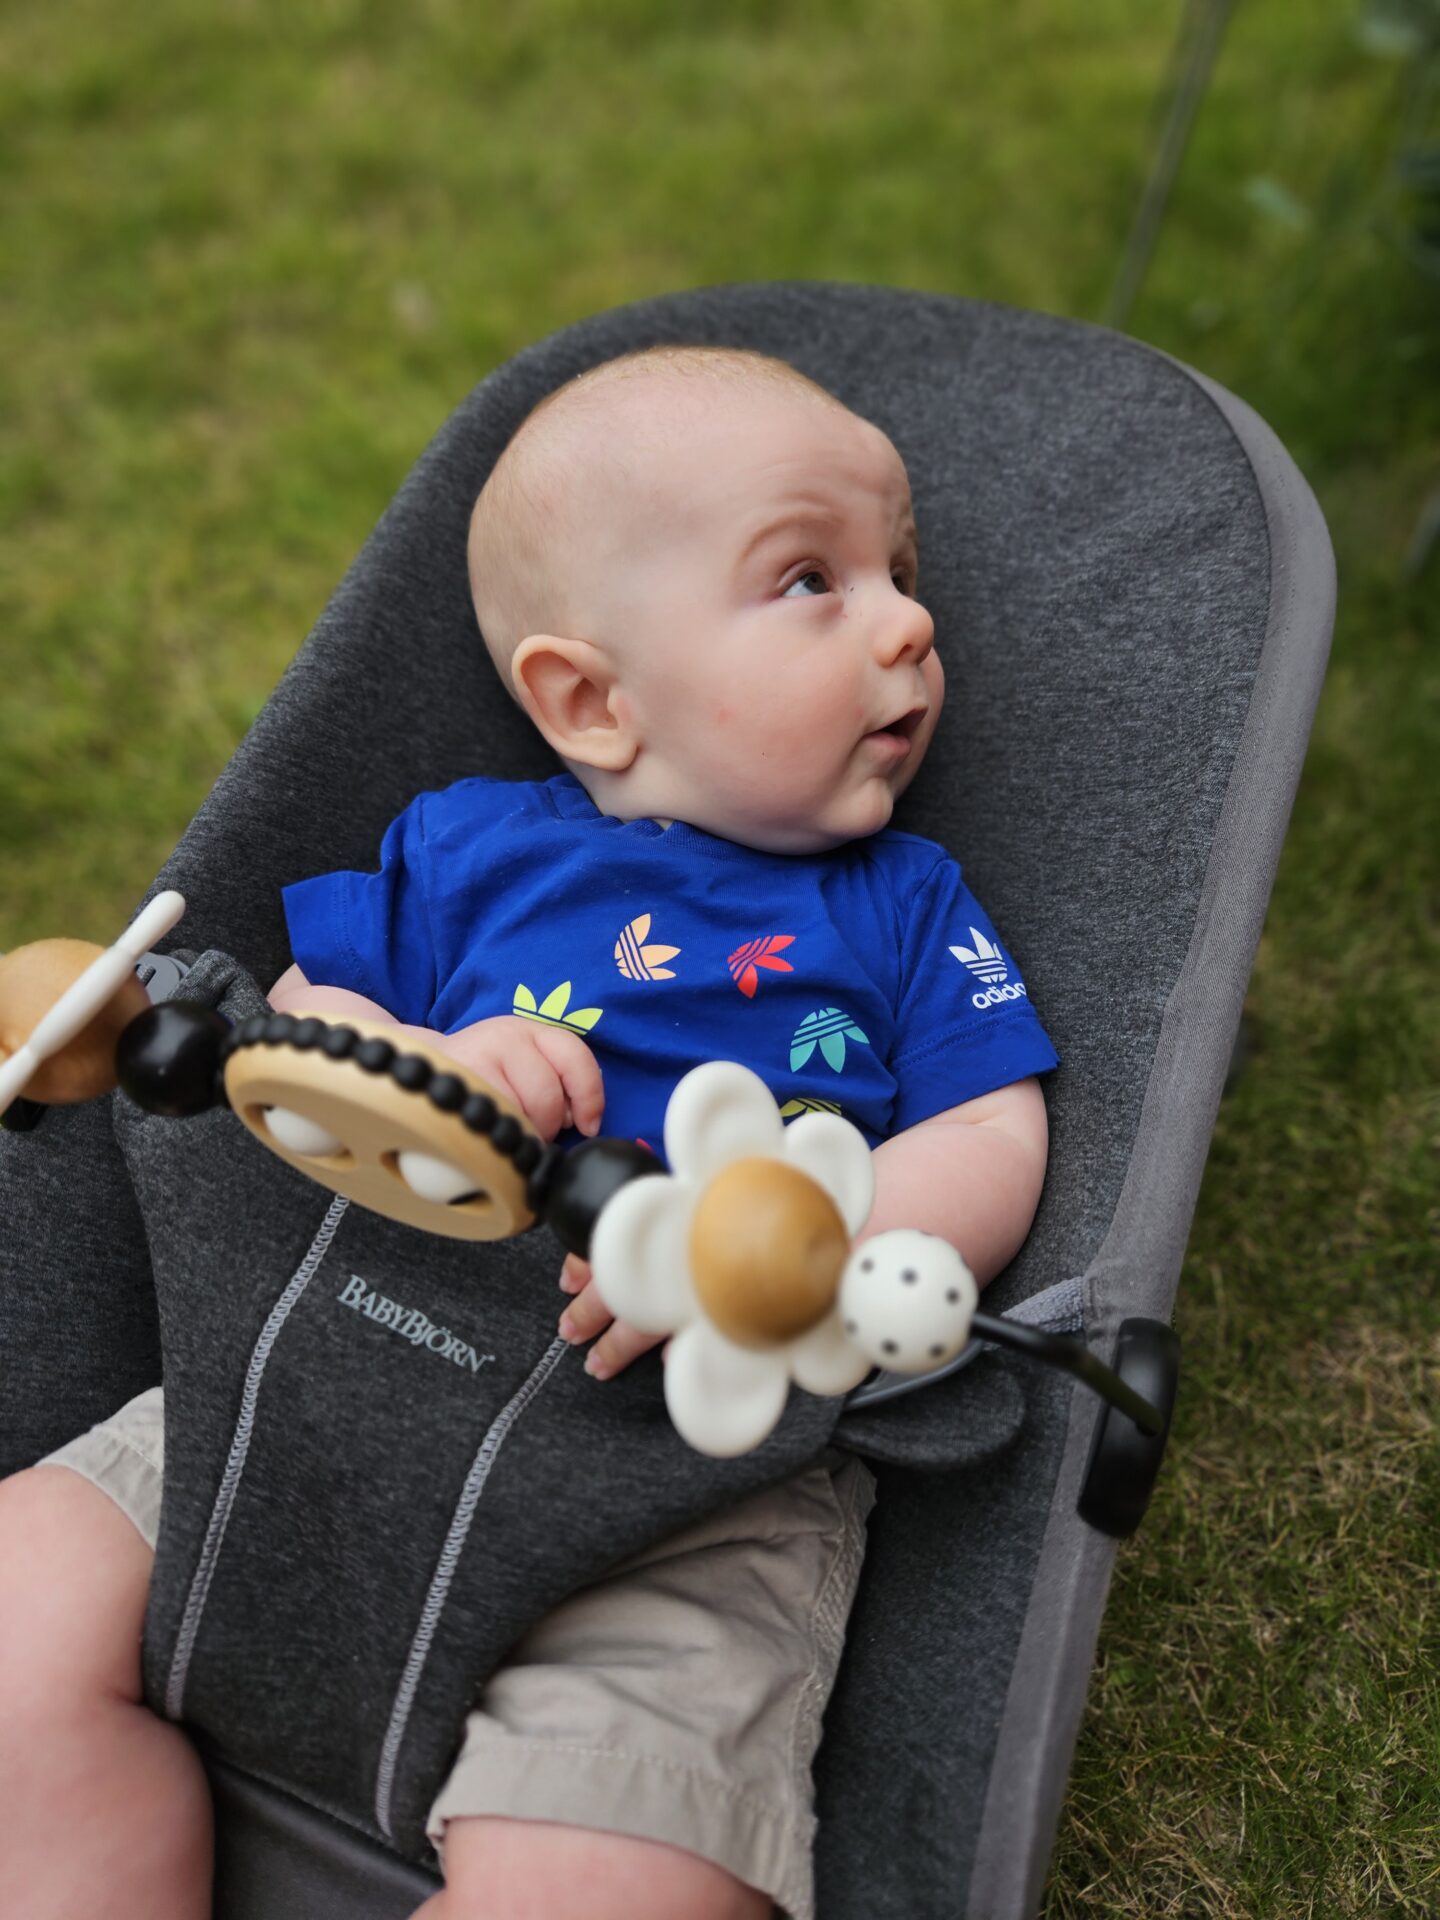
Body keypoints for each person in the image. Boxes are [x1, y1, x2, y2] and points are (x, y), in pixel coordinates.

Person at [0, 346, 1058, 1920]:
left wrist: (789, 1244)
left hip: (683, 1473)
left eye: (899, 575)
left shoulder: (903, 906)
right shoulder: (461, 850)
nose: (911, 621)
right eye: (812, 581)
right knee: (20, 1620)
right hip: (314, 1362)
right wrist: (437, 1058)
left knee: (624, 1867)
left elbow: (992, 1122)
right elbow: (290, 1044)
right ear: (589, 699)